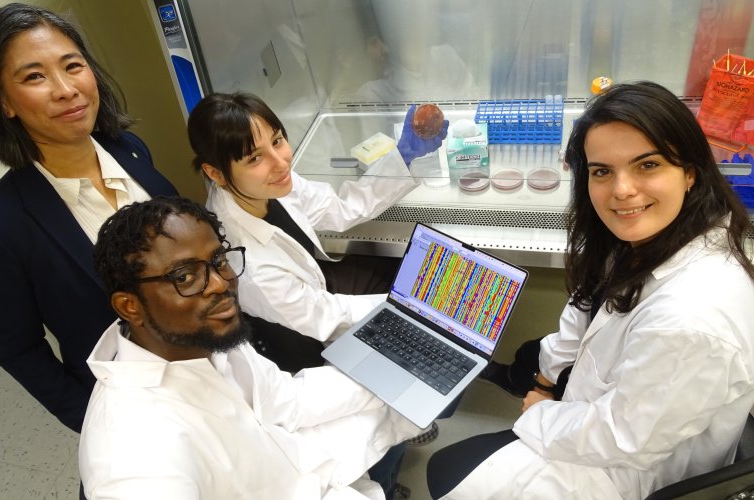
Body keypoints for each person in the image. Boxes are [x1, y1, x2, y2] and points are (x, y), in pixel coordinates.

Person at [425, 81, 754, 499]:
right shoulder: (650, 236)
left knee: (450, 472)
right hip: (592, 417)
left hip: (625, 474)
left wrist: (539, 415)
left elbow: (624, 439)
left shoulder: (691, 319)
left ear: (690, 171)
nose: (621, 191)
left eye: (647, 165)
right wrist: (545, 380)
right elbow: (585, 311)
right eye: (602, 171)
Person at [79, 196, 420, 499]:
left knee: (411, 407)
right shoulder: (132, 454)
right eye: (184, 277)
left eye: (219, 261)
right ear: (129, 306)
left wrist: (404, 370)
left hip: (301, 469)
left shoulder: (202, 340)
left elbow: (286, 399)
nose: (220, 284)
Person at [0, 3, 178, 433]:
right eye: (34, 76)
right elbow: (19, 351)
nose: (65, 89)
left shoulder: (128, 148)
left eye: (72, 65)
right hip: (136, 410)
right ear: (4, 101)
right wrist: (99, 425)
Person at [187, 92, 447, 371]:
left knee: (422, 272)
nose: (281, 162)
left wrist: (402, 156)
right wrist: (410, 305)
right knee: (425, 310)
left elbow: (339, 208)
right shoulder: (249, 268)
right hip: (304, 344)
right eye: (254, 158)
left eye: (277, 141)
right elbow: (324, 316)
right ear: (216, 173)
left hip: (318, 288)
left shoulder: (263, 185)